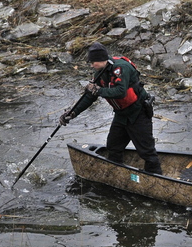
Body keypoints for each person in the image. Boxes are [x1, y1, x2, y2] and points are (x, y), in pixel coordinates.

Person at [59, 42, 163, 174]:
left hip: (138, 113)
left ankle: (156, 178)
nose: (91, 65)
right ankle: (116, 174)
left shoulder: (121, 68)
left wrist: (98, 90)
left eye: (92, 62)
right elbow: (89, 97)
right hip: (121, 114)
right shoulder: (100, 73)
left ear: (101, 59)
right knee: (113, 147)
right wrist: (73, 112)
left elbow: (120, 91)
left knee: (146, 151)